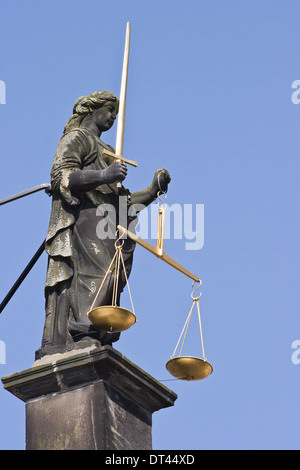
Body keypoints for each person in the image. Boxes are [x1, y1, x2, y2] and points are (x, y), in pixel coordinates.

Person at [35, 91, 170, 359]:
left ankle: (96, 330)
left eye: (116, 115)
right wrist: (103, 174)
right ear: (91, 110)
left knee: (113, 273)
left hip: (111, 221)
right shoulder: (77, 138)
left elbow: (124, 203)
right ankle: (83, 330)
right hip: (86, 216)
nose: (112, 118)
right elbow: (62, 177)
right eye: (109, 111)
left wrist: (154, 190)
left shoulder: (107, 151)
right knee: (95, 272)